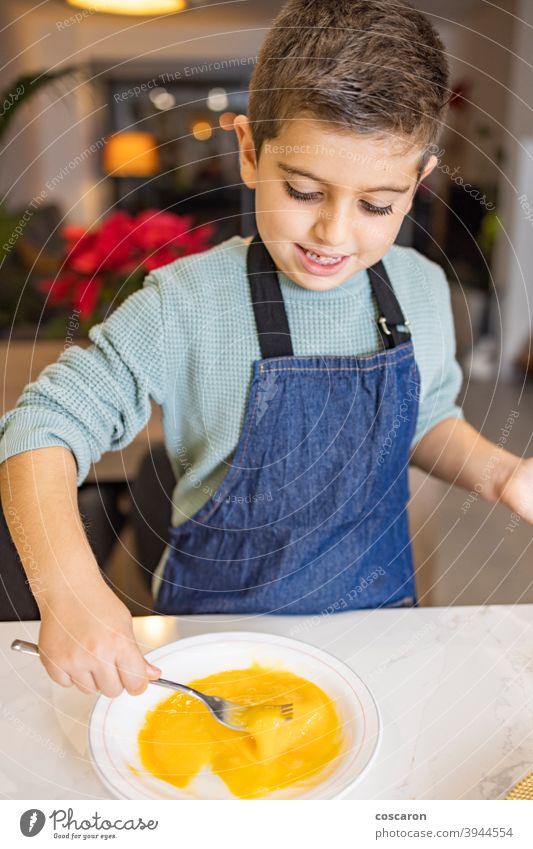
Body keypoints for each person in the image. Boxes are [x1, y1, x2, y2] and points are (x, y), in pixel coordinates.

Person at [1, 0, 531, 698]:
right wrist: (68, 588)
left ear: (420, 178)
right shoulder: (184, 301)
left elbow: (425, 416)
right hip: (211, 640)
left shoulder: (421, 288)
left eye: (376, 204)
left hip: (376, 629)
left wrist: (501, 474)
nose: (334, 234)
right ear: (250, 151)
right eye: (303, 190)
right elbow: (40, 425)